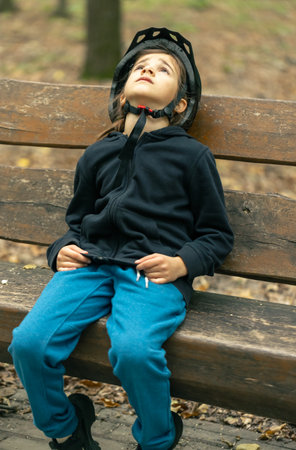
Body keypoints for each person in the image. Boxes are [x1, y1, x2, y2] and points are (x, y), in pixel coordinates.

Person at [8, 27, 234, 450]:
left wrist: (182, 263)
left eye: (162, 68)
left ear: (180, 104)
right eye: (140, 66)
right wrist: (60, 250)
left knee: (132, 351)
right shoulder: (98, 153)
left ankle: (156, 438)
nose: (148, 69)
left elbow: (216, 235)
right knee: (29, 343)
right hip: (91, 266)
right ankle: (65, 428)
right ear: (121, 92)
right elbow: (77, 220)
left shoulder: (191, 157)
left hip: (151, 274)